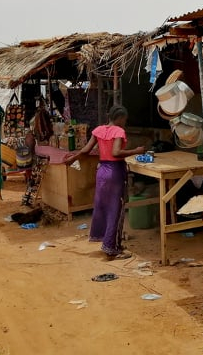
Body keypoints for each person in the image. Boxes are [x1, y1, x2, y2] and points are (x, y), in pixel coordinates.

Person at [62, 105, 145, 260]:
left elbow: (86, 150)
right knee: (116, 209)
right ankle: (111, 249)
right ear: (120, 118)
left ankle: (111, 242)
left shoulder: (99, 130)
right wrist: (136, 151)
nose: (125, 122)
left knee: (102, 208)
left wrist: (73, 158)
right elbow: (116, 153)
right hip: (115, 172)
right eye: (125, 120)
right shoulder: (119, 131)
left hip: (102, 172)